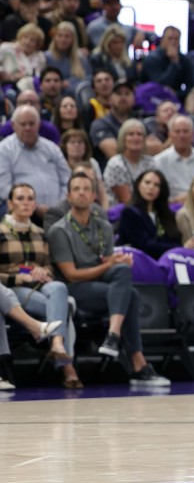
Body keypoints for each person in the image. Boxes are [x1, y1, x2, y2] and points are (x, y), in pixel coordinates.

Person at [47, 172, 170, 386]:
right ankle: (138, 364)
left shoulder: (103, 226)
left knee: (123, 272)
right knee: (129, 295)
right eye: (76, 189)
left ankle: (113, 336)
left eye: (86, 189)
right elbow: (71, 275)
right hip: (75, 289)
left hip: (102, 283)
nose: (82, 193)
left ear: (95, 195)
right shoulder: (59, 230)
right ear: (68, 196)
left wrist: (118, 261)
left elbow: (107, 263)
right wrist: (109, 264)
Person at [0, 183, 81, 388]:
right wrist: (21, 277)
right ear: (10, 203)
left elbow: (50, 269)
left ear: (35, 204)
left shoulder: (40, 232)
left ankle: (56, 343)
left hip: (40, 284)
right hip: (11, 286)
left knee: (59, 288)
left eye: (30, 199)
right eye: (20, 199)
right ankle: (67, 367)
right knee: (66, 306)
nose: (25, 203)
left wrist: (43, 272)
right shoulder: (1, 231)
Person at [0, 106, 71, 221]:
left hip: (59, 211)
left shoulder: (52, 148)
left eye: (31, 123)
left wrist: (59, 205)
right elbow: (3, 188)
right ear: (13, 126)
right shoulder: (4, 150)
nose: (28, 128)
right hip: (23, 212)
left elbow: (67, 180)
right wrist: (33, 206)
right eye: (23, 124)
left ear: (38, 125)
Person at [117, 170, 187, 258]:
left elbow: (175, 239)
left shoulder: (166, 214)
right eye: (147, 182)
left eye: (156, 185)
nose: (151, 187)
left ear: (161, 190)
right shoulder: (130, 213)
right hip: (140, 262)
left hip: (167, 260)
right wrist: (181, 248)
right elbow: (145, 246)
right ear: (138, 184)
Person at [154, 115, 194, 203]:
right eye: (177, 131)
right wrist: (175, 201)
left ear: (193, 134)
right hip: (172, 207)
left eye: (185, 131)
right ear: (170, 135)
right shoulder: (158, 161)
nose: (182, 136)